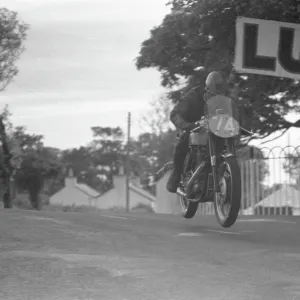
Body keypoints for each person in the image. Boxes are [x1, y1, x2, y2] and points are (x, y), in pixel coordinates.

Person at [166, 71, 229, 193]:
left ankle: (220, 174)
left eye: (219, 96)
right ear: (206, 90)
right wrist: (188, 125)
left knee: (223, 142)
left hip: (212, 130)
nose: (216, 99)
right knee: (184, 140)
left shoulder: (223, 101)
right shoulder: (192, 98)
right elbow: (175, 114)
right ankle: (176, 175)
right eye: (213, 95)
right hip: (190, 128)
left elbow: (230, 115)